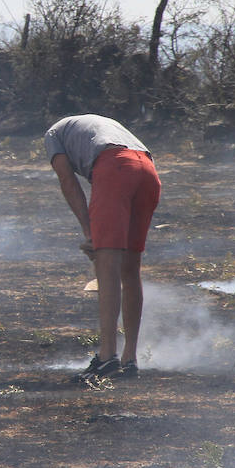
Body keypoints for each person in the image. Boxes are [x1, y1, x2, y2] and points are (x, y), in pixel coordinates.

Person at [44, 114, 161, 383]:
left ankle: (107, 356)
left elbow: (67, 180)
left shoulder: (53, 133)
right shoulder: (101, 125)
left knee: (106, 267)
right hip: (148, 171)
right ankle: (129, 359)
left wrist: (90, 232)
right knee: (130, 271)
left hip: (116, 168)